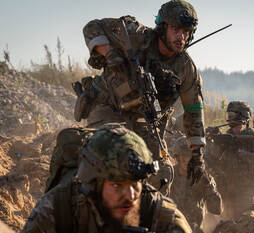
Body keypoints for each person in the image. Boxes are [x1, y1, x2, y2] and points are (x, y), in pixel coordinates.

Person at [21, 124, 193, 233]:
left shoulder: (151, 205)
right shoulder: (57, 206)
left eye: (135, 184)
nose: (131, 196)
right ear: (93, 184)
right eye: (117, 185)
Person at [76, 0, 205, 188]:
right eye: (176, 29)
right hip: (107, 107)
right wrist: (110, 53)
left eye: (186, 32)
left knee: (161, 174)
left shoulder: (186, 68)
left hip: (145, 120)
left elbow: (194, 111)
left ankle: (146, 213)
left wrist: (197, 154)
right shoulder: (136, 36)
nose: (181, 36)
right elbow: (92, 27)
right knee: (110, 158)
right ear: (162, 28)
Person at [206, 101, 254, 219]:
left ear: (241, 116)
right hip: (229, 188)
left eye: (231, 116)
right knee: (227, 222)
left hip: (247, 188)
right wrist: (212, 141)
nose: (229, 119)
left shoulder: (253, 136)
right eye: (228, 116)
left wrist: (241, 152)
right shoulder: (226, 136)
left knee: (249, 218)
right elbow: (215, 160)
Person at [170, 136, 223, 233]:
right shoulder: (169, 174)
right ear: (178, 157)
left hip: (193, 231)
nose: (186, 159)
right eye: (183, 155)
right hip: (170, 228)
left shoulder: (202, 178)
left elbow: (216, 209)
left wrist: (207, 183)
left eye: (190, 156)